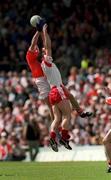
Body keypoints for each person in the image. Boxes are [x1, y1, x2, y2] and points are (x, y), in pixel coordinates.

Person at [36, 21, 92, 152]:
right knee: (67, 115)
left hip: (54, 92)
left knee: (57, 118)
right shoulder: (46, 62)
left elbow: (47, 48)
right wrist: (44, 31)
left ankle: (53, 136)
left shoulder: (45, 65)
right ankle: (64, 137)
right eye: (44, 52)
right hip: (57, 89)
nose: (46, 51)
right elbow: (48, 46)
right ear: (44, 56)